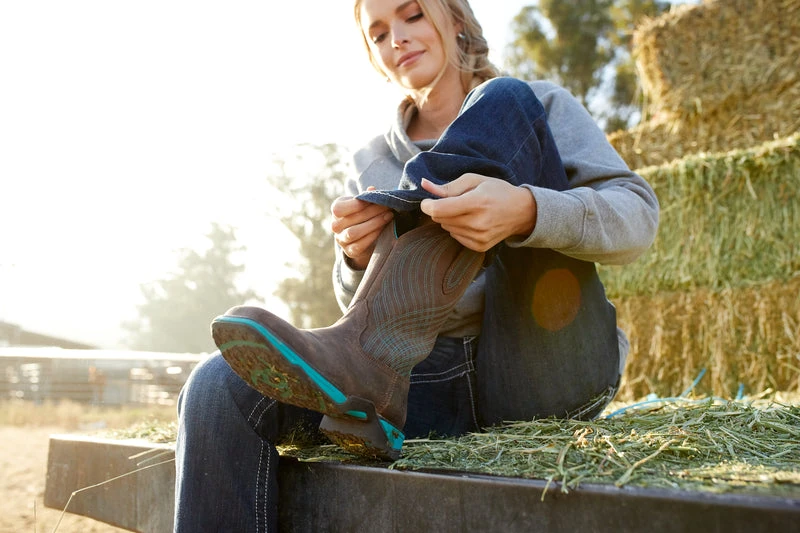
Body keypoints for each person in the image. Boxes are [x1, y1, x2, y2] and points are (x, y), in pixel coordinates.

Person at [174, 0, 660, 530]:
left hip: (547, 360)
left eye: (412, 16)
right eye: (379, 34)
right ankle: (370, 376)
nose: (397, 39)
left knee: (504, 97)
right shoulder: (370, 158)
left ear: (456, 20)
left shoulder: (539, 104)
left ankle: (368, 365)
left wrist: (527, 211)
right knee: (217, 385)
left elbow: (638, 220)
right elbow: (358, 302)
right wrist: (355, 258)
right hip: (421, 385)